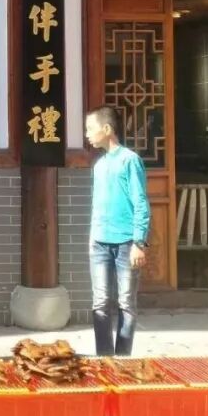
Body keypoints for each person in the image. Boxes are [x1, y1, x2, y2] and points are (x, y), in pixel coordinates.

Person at [85, 105, 150, 357]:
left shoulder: (129, 160)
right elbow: (97, 205)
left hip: (126, 244)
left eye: (90, 128)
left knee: (126, 303)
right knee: (100, 303)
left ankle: (122, 360)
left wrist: (139, 242)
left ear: (107, 129)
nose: (87, 134)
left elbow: (140, 202)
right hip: (100, 243)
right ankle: (104, 359)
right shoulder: (99, 165)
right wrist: (92, 238)